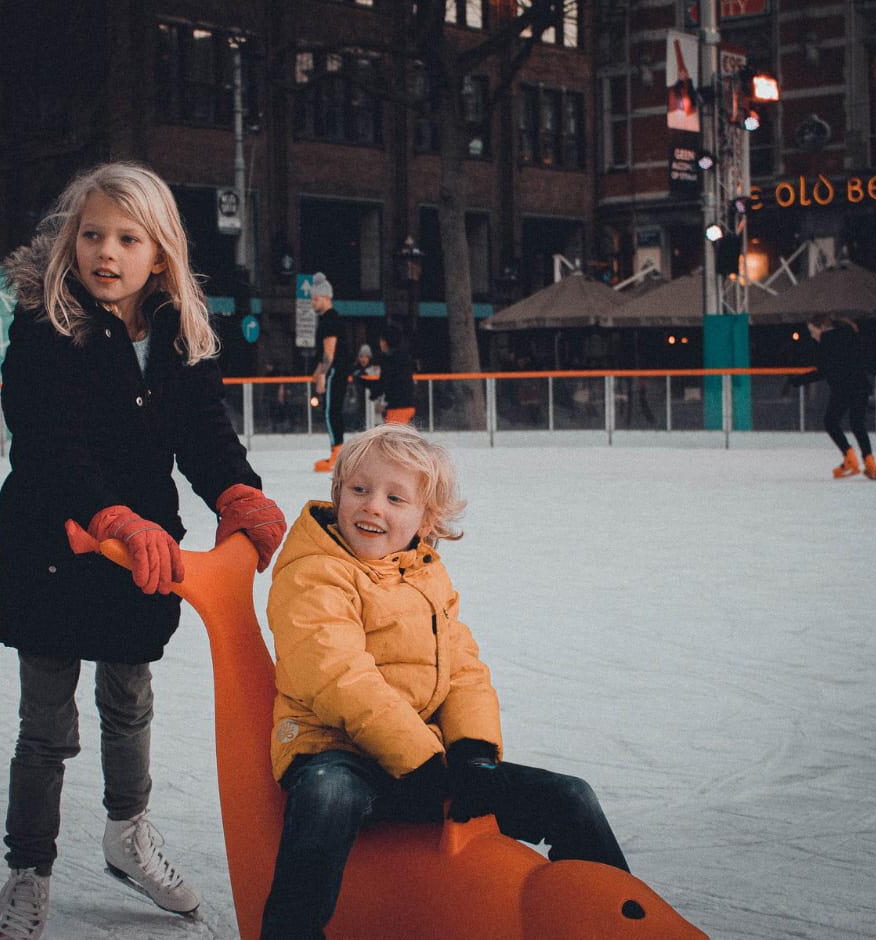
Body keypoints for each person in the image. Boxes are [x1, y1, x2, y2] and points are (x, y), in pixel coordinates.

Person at [0, 161, 288, 940]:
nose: (106, 253)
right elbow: (52, 443)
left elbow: (205, 435)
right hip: (55, 544)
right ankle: (30, 869)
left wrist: (237, 494)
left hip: (144, 553)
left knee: (129, 700)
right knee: (47, 725)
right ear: (70, 243)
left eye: (127, 238)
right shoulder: (44, 328)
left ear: (161, 251)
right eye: (92, 235)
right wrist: (113, 517)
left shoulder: (180, 336)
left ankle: (128, 832)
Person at [261, 424, 628, 939]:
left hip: (422, 756)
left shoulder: (426, 574)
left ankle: (609, 923)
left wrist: (474, 754)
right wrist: (423, 763)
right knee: (328, 794)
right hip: (334, 749)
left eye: (395, 497)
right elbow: (338, 676)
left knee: (572, 796)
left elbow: (462, 669)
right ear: (337, 492)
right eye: (359, 490)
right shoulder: (314, 573)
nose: (373, 508)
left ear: (425, 518)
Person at [791, 312, 876, 480]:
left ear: (822, 327)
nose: (812, 336)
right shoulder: (850, 335)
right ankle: (870, 464)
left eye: (813, 331)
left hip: (843, 388)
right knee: (857, 424)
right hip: (861, 386)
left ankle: (850, 459)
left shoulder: (828, 341)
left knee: (830, 422)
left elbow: (823, 371)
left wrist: (797, 381)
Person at [309, 272, 353, 472]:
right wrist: (318, 371)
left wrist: (321, 375)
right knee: (332, 410)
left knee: (331, 411)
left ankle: (337, 455)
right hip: (336, 369)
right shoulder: (330, 319)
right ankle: (336, 453)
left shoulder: (329, 320)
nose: (313, 303)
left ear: (326, 298)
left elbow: (329, 353)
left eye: (316, 299)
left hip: (336, 370)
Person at [369, 324, 415, 425]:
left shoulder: (389, 359)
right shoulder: (404, 356)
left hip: (398, 408)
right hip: (407, 405)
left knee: (394, 438)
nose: (380, 344)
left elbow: (385, 381)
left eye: (381, 340)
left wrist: (373, 393)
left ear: (385, 342)